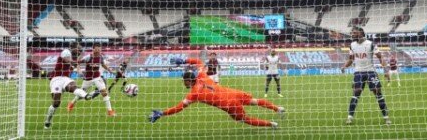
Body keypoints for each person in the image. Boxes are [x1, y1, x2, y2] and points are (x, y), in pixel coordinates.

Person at [148, 58, 285, 128]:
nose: (183, 83)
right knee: (255, 101)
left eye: (184, 81)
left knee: (244, 119)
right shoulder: (202, 75)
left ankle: (271, 124)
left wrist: (163, 113)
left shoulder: (193, 94)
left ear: (189, 81)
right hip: (233, 93)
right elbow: (199, 62)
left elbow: (178, 108)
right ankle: (278, 109)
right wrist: (184, 61)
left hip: (230, 104)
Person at [342, 26, 391, 125]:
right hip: (358, 72)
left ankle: (386, 118)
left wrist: (386, 70)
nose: (352, 34)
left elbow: (380, 57)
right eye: (352, 33)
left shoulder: (371, 44)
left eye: (354, 33)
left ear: (360, 33)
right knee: (356, 93)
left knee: (378, 93)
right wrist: (344, 66)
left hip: (370, 72)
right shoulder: (352, 45)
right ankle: (349, 118)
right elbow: (351, 59)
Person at [44, 42, 92, 129]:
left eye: (80, 50)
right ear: (73, 47)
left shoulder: (74, 57)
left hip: (66, 78)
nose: (79, 51)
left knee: (72, 87)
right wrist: (79, 61)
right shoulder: (66, 52)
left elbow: (75, 65)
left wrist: (80, 69)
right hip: (57, 79)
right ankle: (48, 121)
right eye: (78, 49)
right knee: (56, 103)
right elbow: (67, 60)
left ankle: (86, 96)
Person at [68, 43, 116, 116]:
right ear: (93, 49)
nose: (99, 50)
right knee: (80, 94)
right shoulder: (88, 57)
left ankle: (110, 111)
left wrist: (110, 70)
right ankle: (72, 103)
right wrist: (79, 70)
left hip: (97, 77)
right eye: (97, 49)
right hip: (88, 79)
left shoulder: (101, 57)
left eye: (99, 48)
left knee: (104, 92)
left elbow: (103, 65)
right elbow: (77, 63)